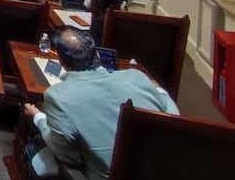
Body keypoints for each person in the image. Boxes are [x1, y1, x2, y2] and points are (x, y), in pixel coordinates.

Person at [23, 26, 178, 179]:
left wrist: (38, 117)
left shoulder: (57, 96)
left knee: (34, 147)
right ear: (97, 54)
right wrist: (160, 91)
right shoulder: (137, 77)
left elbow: (69, 157)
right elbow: (174, 116)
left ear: (61, 62)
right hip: (159, 172)